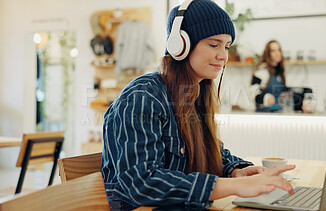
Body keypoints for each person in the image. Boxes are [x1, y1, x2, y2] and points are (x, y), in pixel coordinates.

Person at [101, 1, 295, 210]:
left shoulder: (194, 93)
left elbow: (205, 150)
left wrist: (235, 170)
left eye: (227, 46)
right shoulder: (142, 96)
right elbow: (143, 182)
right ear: (180, 45)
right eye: (214, 44)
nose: (223, 56)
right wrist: (234, 185)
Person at [250, 40, 287, 112]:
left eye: (279, 50)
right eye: (273, 51)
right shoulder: (262, 71)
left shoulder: (280, 71)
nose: (277, 53)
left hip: (277, 113)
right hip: (264, 115)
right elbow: (252, 94)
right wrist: (265, 98)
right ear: (268, 54)